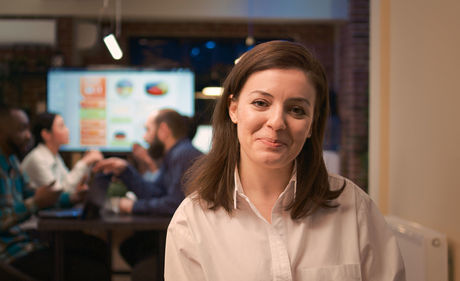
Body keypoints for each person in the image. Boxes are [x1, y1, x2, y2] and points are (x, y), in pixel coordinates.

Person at [165, 41, 406, 281]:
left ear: (312, 124)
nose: (277, 122)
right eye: (261, 103)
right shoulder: (191, 222)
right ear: (234, 109)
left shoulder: (354, 207)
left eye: (297, 110)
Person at [0, 105, 108, 281]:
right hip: (3, 257)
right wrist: (34, 204)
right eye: (22, 129)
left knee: (97, 248)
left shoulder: (11, 162)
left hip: (23, 245)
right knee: (92, 270)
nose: (29, 136)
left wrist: (73, 198)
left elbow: (34, 195)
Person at [93, 108, 202, 280]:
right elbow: (155, 192)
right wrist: (126, 171)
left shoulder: (183, 155)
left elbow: (173, 204)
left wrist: (133, 206)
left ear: (164, 130)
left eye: (148, 130)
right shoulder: (175, 154)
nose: (145, 138)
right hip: (178, 236)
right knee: (130, 247)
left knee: (140, 267)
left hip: (191, 244)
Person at [21, 112, 103, 205]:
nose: (67, 130)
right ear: (46, 134)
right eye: (61, 126)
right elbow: (58, 193)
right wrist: (85, 162)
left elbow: (68, 185)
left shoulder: (54, 155)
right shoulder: (37, 158)